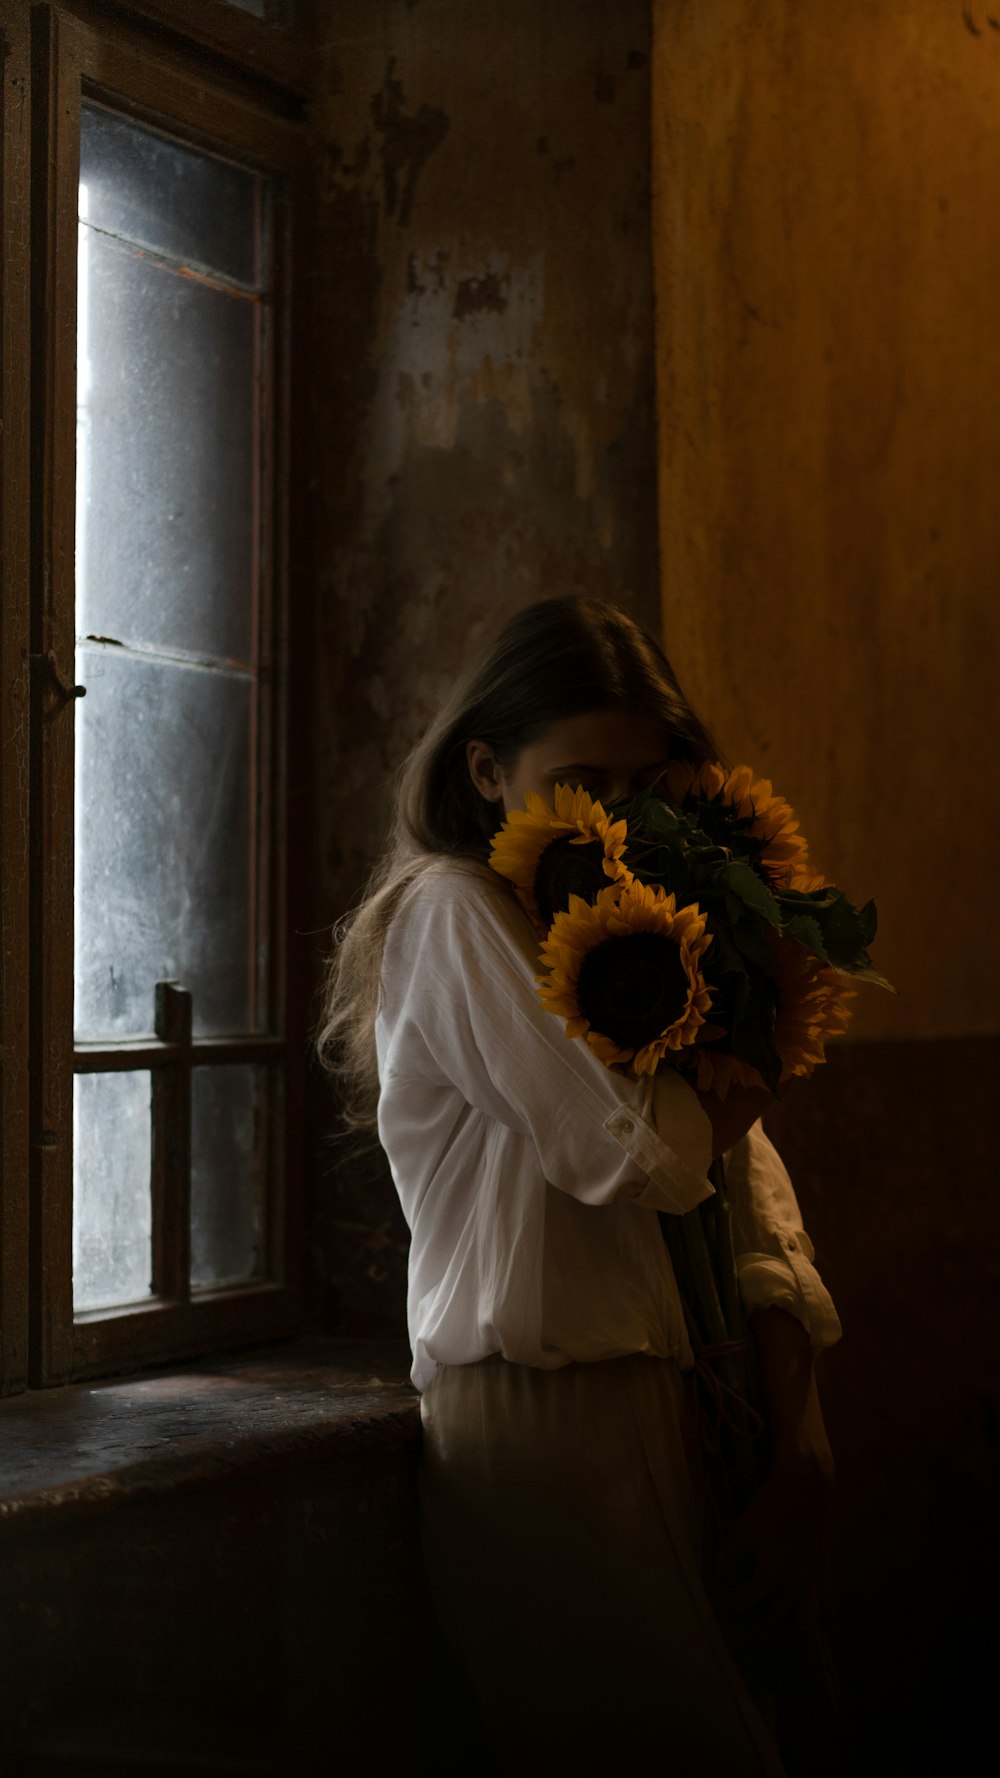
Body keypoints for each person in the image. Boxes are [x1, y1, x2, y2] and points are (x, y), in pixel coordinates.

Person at [317, 597, 842, 1777]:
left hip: (710, 1401)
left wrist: (799, 1432)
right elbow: (644, 1151)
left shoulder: (634, 925)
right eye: (582, 779)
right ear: (488, 768)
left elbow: (740, 1179)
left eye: (650, 783)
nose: (620, 817)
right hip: (546, 1423)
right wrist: (757, 1041)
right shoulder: (454, 913)